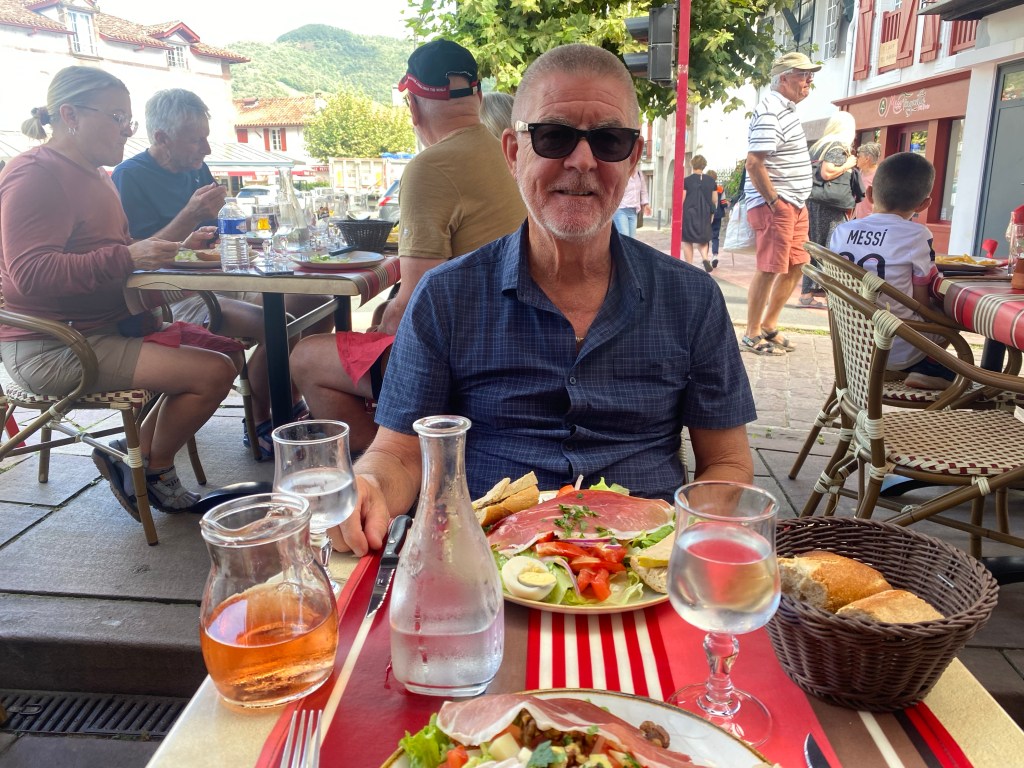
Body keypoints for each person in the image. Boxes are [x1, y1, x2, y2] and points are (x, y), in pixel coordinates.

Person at [335, 43, 756, 556]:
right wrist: (369, 488)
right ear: (513, 153)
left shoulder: (691, 298)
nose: (582, 161)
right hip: (484, 565)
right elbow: (400, 455)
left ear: (633, 158)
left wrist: (689, 540)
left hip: (646, 567)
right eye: (554, 136)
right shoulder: (447, 296)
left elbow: (727, 461)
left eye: (609, 140)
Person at [0, 67, 238, 518]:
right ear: (70, 115)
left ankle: (133, 459)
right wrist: (128, 256)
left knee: (226, 353)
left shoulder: (96, 174)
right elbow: (29, 273)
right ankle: (153, 471)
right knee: (211, 373)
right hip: (55, 345)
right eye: (117, 118)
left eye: (129, 120)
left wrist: (172, 246)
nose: (128, 130)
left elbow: (113, 251)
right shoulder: (35, 173)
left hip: (105, 328)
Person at [289, 40, 527, 455]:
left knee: (307, 357)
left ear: (413, 107)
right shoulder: (504, 152)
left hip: (464, 359)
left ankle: (394, 473)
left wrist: (381, 328)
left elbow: (417, 299)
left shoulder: (430, 167)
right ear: (478, 97)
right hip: (510, 339)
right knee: (373, 325)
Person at [112, 89, 323, 457]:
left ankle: (289, 401)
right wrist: (189, 216)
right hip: (170, 296)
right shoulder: (129, 176)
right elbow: (140, 257)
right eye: (197, 140)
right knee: (279, 323)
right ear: (162, 138)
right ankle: (261, 420)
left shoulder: (196, 170)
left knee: (315, 302)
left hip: (216, 281)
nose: (206, 149)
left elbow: (213, 235)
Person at [829, 152, 950, 389]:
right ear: (924, 204)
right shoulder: (917, 235)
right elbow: (921, 302)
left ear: (870, 193)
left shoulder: (842, 231)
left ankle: (899, 369)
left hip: (851, 343)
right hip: (898, 344)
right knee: (947, 313)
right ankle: (925, 367)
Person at [741, 51, 821, 356]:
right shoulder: (771, 110)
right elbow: (754, 163)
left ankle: (769, 325)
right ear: (784, 78)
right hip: (779, 203)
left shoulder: (785, 109)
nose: (809, 80)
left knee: (798, 264)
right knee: (770, 267)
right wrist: (774, 202)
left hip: (794, 202)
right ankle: (751, 333)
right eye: (803, 75)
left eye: (810, 75)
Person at [800, 111, 858, 308]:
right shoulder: (837, 146)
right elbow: (827, 172)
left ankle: (808, 293)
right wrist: (847, 164)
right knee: (833, 249)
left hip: (815, 201)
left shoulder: (819, 146)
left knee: (816, 248)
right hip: (831, 205)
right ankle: (828, 295)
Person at [681, 154, 719, 271]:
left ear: (692, 165)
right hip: (705, 213)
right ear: (704, 166)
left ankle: (689, 265)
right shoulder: (711, 181)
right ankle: (705, 258)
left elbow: (682, 199)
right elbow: (714, 200)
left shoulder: (686, 181)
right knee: (703, 239)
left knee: (687, 240)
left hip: (689, 212)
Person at [611, 168, 651, 238]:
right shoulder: (622, 172)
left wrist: (646, 204)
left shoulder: (638, 173)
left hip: (633, 211)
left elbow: (643, 190)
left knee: (632, 239)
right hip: (620, 209)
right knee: (624, 237)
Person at [852, 142, 881, 220]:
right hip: (859, 220)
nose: (856, 158)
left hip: (872, 221)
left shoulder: (879, 176)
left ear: (867, 158)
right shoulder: (860, 173)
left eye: (858, 156)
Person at [706, 169, 729, 266]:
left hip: (706, 215)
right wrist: (727, 204)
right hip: (717, 215)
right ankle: (715, 255)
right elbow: (723, 203)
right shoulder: (720, 189)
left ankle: (705, 258)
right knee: (715, 236)